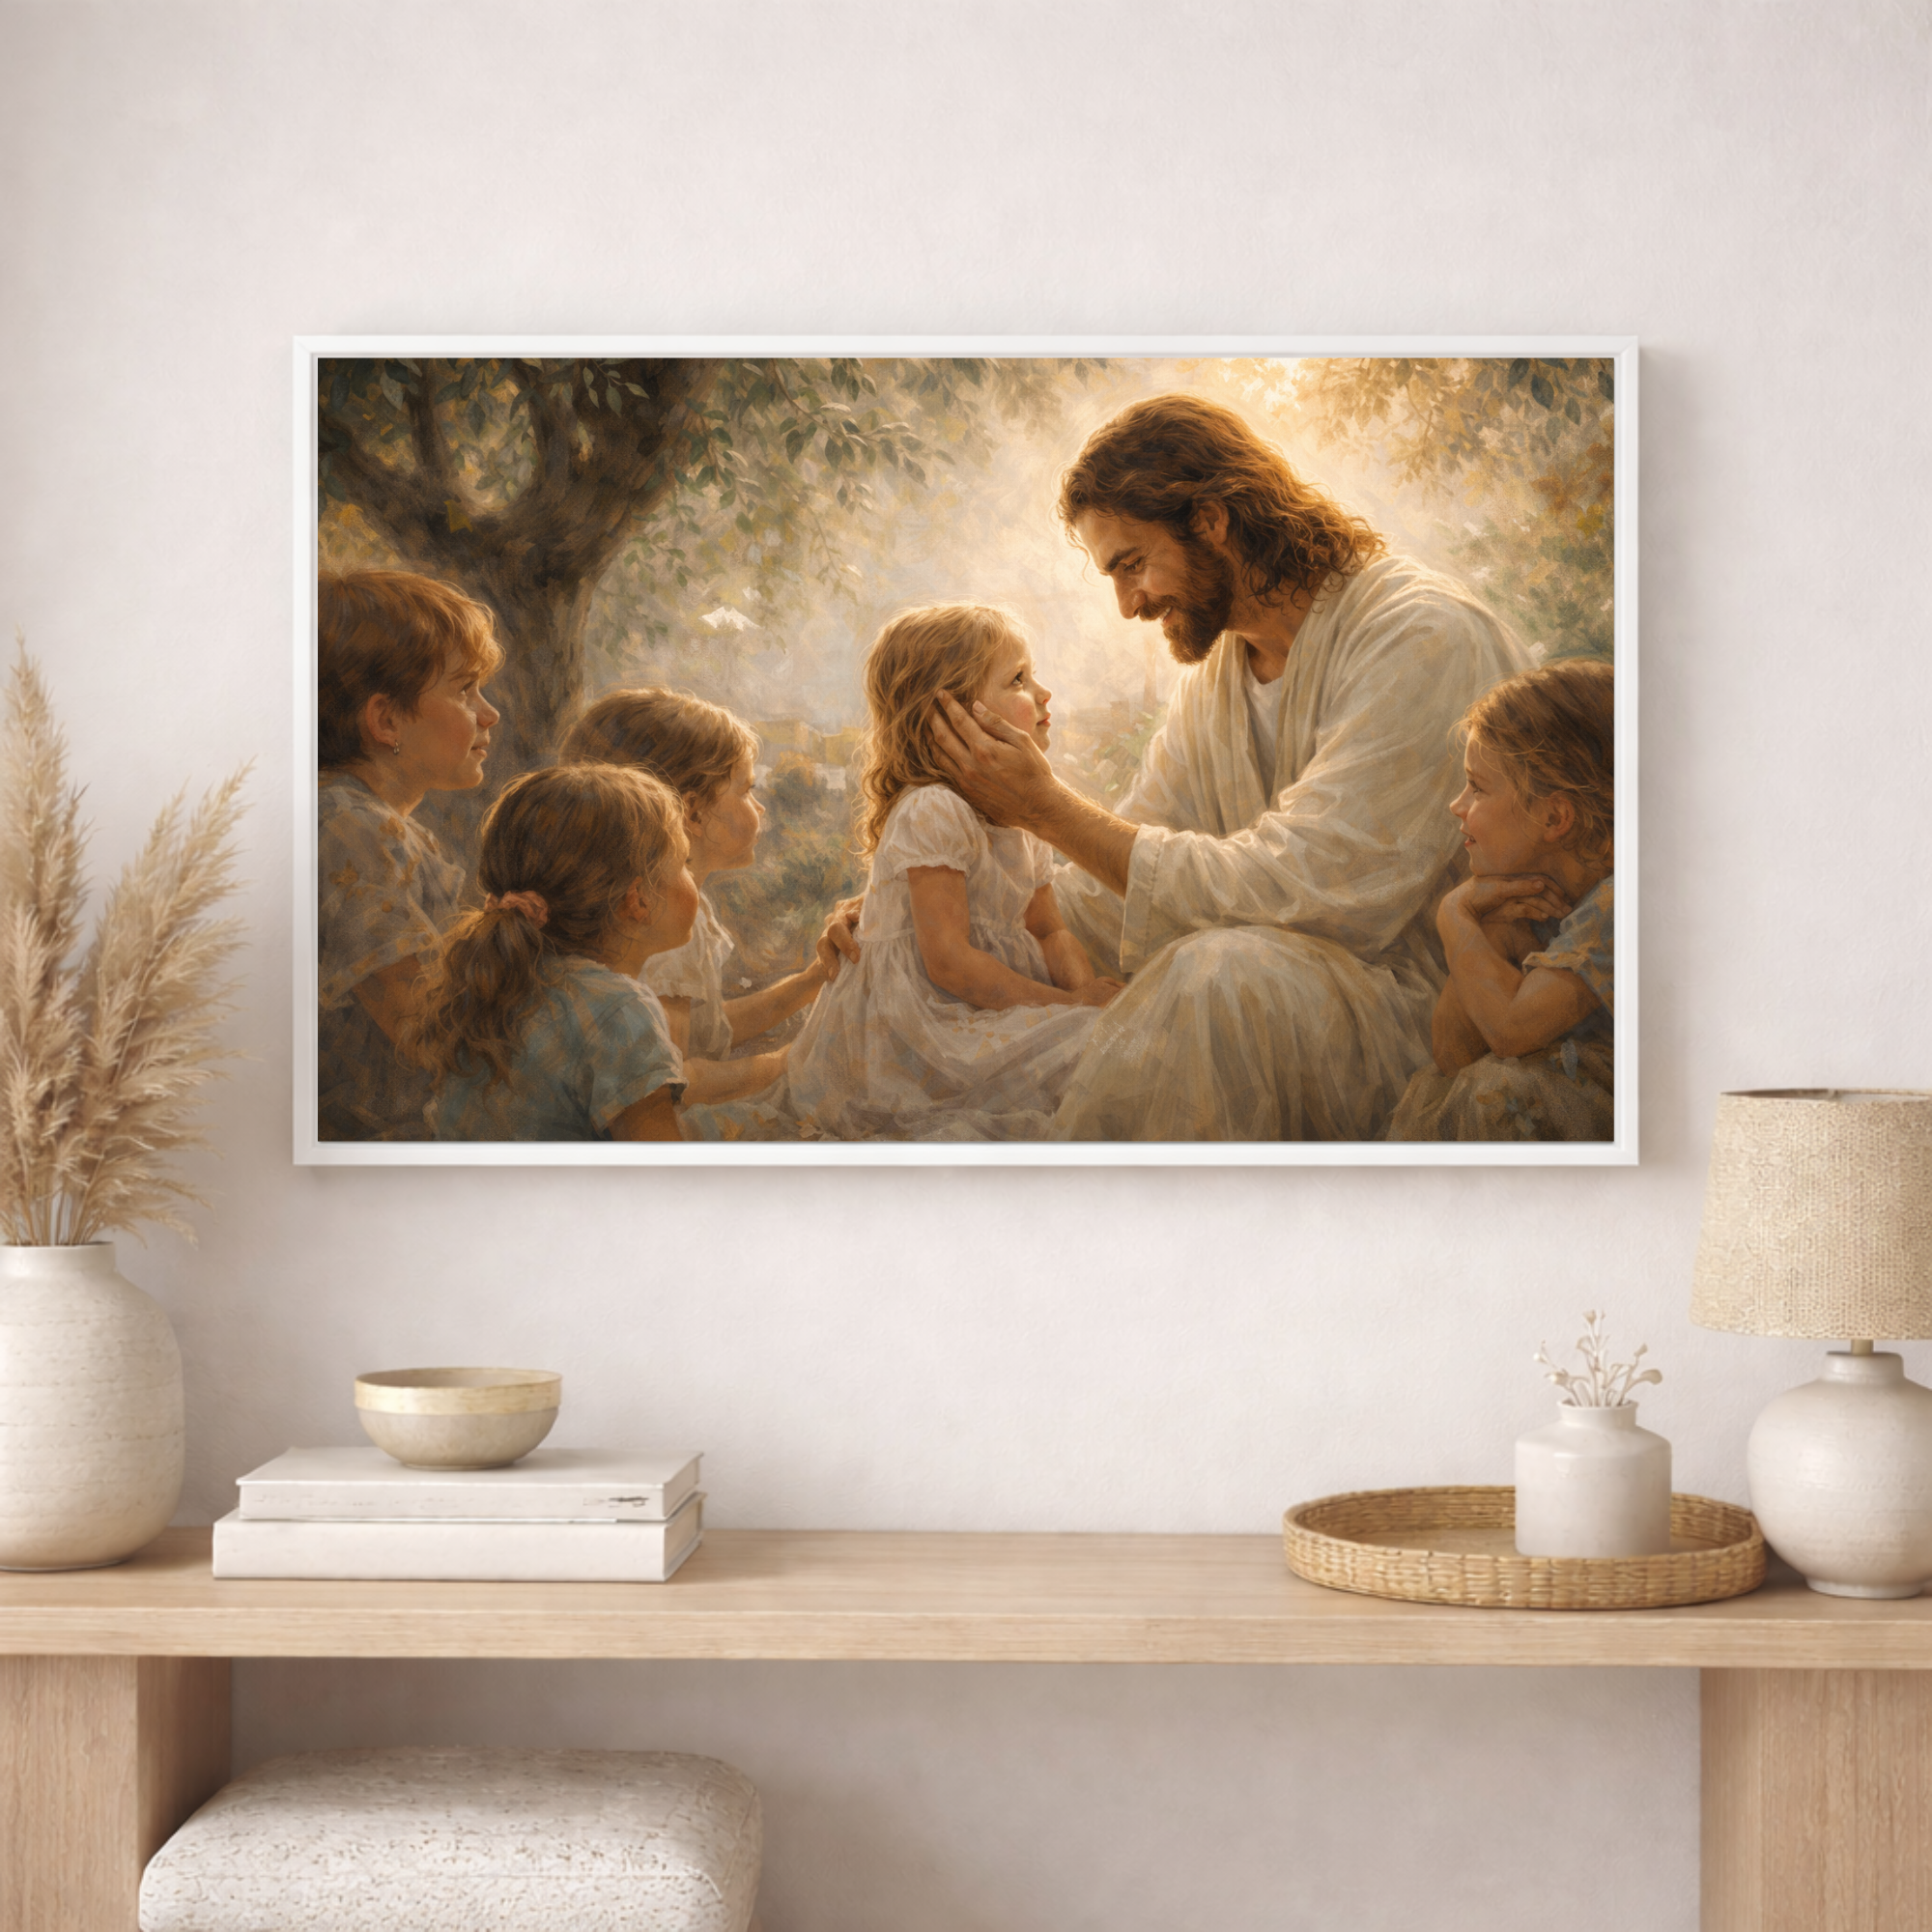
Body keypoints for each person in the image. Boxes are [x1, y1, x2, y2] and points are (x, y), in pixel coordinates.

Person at [929, 392, 1532, 1141]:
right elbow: (1123, 881)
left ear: (1211, 521)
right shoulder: (1218, 679)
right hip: (1304, 1008)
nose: (1126, 605)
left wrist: (1046, 808)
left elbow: (1315, 892)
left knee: (1217, 976)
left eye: (1134, 564)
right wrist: (947, 910)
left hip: (1427, 1024)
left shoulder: (1422, 636)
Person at [766, 604, 1120, 1141]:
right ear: (953, 717)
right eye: (1019, 680)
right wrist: (1069, 1008)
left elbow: (1048, 928)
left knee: (1112, 1041)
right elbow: (950, 964)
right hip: (926, 1031)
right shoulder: (935, 809)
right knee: (1088, 1066)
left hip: (994, 1003)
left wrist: (1086, 991)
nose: (1044, 693)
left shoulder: (1021, 816)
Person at [560, 688, 838, 1106]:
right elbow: (678, 1078)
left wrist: (813, 979)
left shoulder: (677, 902)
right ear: (693, 813)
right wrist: (789, 1061)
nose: (760, 809)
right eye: (746, 790)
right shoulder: (664, 923)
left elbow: (709, 1029)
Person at [406, 763, 697, 1142]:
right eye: (685, 863)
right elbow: (660, 1172)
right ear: (639, 899)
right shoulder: (618, 1011)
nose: (691, 875)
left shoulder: (502, 980)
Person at [1388, 659, 1614, 1141]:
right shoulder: (1530, 900)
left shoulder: (1619, 905)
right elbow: (1452, 1055)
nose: (1457, 805)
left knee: (1498, 1090)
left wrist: (1454, 916)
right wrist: (1488, 932)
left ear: (1555, 819)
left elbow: (1512, 1032)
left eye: (1477, 788)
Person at [316, 569, 502, 1140]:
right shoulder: (352, 831)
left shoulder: (382, 828)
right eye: (465, 690)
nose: (489, 713)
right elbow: (422, 1029)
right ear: (386, 720)